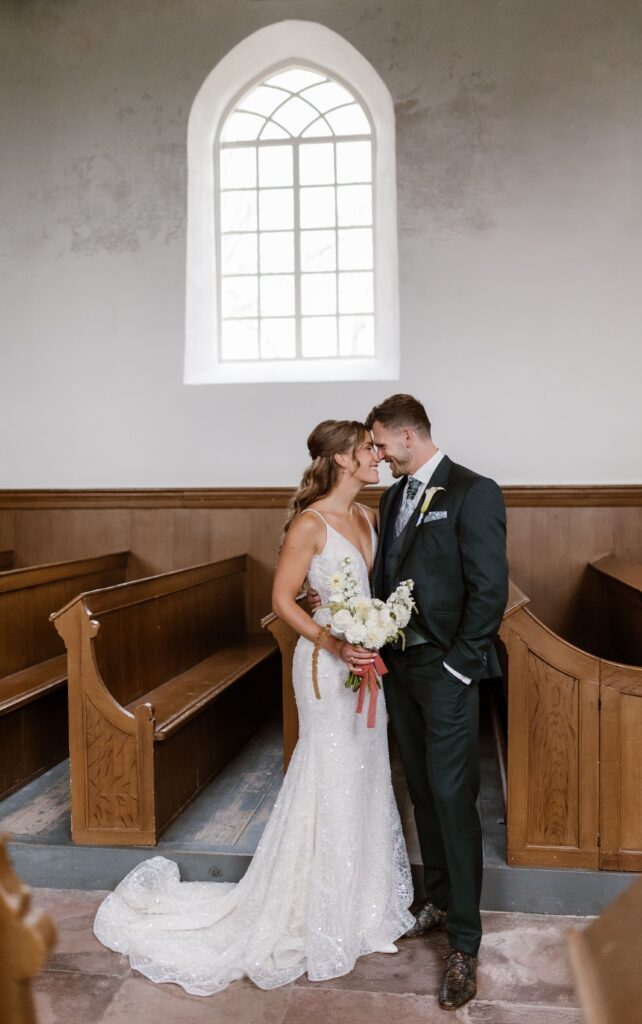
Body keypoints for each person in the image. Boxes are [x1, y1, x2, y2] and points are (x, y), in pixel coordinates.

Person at [92, 419, 414, 995]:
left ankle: (364, 912)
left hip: (366, 663)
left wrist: (375, 629)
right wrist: (333, 641)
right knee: (330, 775)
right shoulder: (310, 524)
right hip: (324, 666)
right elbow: (283, 600)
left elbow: (369, 589)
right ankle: (317, 915)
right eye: (368, 448)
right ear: (342, 459)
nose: (377, 456)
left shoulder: (368, 517)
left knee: (365, 775)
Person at [367, 393, 508, 1011]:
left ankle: (465, 943)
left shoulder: (474, 492)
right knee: (422, 790)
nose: (377, 455)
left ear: (407, 435)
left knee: (453, 797)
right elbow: (385, 577)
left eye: (380, 444)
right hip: (400, 670)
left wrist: (458, 666)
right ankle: (440, 901)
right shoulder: (391, 498)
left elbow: (489, 588)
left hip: (447, 672)